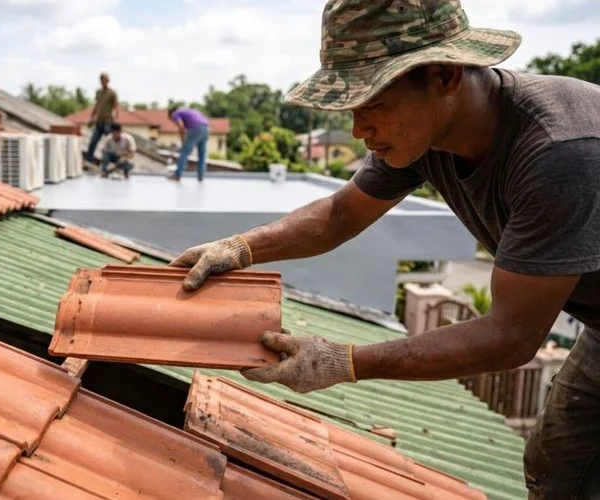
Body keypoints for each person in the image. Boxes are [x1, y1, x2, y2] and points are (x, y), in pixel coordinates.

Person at [169, 1, 600, 498]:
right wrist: (240, 247)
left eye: (372, 104)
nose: (357, 130)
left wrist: (345, 361)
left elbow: (511, 336)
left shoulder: (559, 152)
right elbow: (340, 214)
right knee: (560, 462)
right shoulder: (428, 132)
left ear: (444, 75)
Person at [167, 105, 209, 182]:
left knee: (184, 152)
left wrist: (183, 140)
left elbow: (181, 126)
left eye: (172, 120)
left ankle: (177, 175)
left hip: (196, 128)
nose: (173, 122)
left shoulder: (176, 113)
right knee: (202, 154)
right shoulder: (189, 110)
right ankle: (201, 176)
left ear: (171, 114)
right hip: (206, 128)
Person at [85, 72, 119, 163]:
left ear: (108, 81)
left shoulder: (112, 93)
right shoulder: (99, 92)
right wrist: (92, 118)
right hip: (99, 121)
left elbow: (115, 107)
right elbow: (97, 105)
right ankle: (89, 159)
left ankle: (113, 160)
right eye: (101, 80)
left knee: (110, 142)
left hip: (108, 121)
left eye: (104, 80)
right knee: (93, 140)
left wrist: (115, 120)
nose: (102, 81)